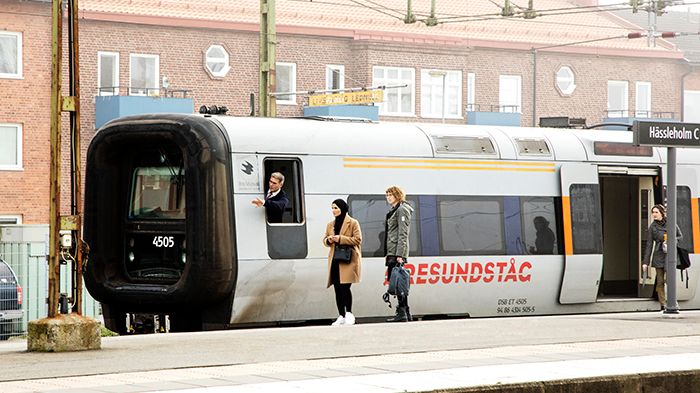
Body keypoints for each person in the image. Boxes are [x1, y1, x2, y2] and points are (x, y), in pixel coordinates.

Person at [323, 199, 362, 326]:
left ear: (342, 208)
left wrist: (340, 238)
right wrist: (329, 240)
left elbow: (357, 240)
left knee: (345, 287)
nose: (333, 211)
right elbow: (324, 240)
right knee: (337, 289)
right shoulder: (330, 224)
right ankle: (341, 315)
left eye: (336, 208)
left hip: (348, 260)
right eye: (332, 208)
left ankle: (349, 313)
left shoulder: (353, 222)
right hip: (335, 259)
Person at [642, 204, 683, 311]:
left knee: (669, 279)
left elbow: (680, 236)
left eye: (656, 212)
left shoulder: (671, 223)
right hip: (659, 255)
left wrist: (672, 240)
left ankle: (673, 301)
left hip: (670, 256)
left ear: (662, 213)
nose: (654, 214)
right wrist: (645, 262)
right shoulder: (652, 227)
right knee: (660, 281)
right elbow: (649, 245)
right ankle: (663, 304)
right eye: (653, 212)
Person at [384, 185, 413, 322]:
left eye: (390, 194)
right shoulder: (395, 210)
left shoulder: (402, 210)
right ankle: (405, 312)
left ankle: (402, 313)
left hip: (397, 252)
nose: (388, 197)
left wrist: (400, 255)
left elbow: (403, 234)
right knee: (396, 281)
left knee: (399, 282)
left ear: (397, 195)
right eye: (387, 194)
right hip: (393, 251)